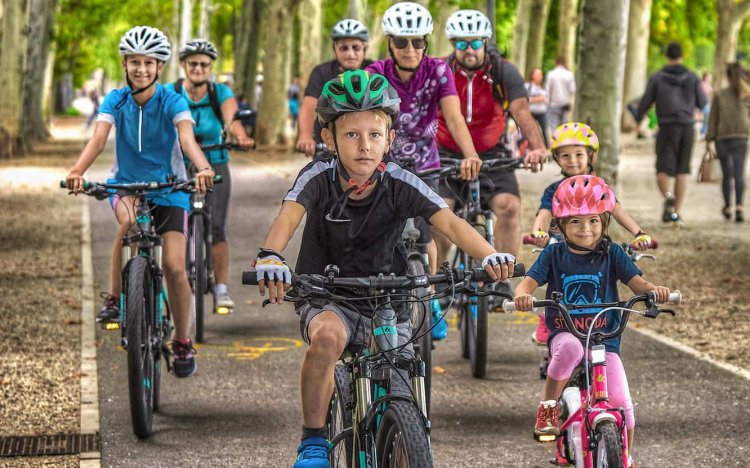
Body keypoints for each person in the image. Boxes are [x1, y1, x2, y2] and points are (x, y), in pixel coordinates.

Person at [253, 70, 516, 468]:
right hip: (328, 293)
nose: (364, 146)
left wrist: (489, 255)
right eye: (351, 135)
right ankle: (312, 441)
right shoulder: (318, 176)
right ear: (329, 139)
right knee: (327, 338)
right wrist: (271, 256)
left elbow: (451, 222)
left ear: (390, 139)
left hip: (388, 298)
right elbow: (288, 217)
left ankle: (408, 439)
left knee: (402, 378)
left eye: (375, 135)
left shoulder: (400, 180)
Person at [65, 26, 215, 378]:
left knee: (177, 268)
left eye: (149, 63)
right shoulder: (114, 100)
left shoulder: (173, 100)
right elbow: (99, 139)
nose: (142, 69)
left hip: (171, 188)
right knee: (129, 222)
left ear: (160, 66)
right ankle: (116, 298)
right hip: (127, 185)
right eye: (135, 62)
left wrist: (204, 167)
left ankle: (181, 340)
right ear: (125, 63)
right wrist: (77, 169)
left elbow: (187, 139)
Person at [514, 175, 672, 468]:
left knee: (624, 407)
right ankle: (548, 405)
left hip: (605, 338)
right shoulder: (553, 254)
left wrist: (654, 292)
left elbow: (637, 283)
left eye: (593, 221)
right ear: (559, 225)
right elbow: (527, 284)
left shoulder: (613, 253)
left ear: (604, 222)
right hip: (566, 332)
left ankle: (624, 458)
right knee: (571, 349)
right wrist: (522, 295)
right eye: (574, 221)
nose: (585, 229)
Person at [366, 2, 490, 339]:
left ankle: (431, 298)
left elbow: (452, 117)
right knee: (381, 233)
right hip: (384, 164)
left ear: (426, 43)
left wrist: (470, 154)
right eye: (402, 42)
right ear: (390, 43)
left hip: (425, 164)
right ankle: (381, 299)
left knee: (426, 234)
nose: (410, 49)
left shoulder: (438, 70)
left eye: (418, 42)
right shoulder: (375, 72)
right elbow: (367, 116)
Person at [432, 8, 547, 339]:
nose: (469, 49)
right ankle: (441, 281)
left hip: (492, 153)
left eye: (476, 42)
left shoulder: (502, 71)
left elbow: (522, 111)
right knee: (439, 213)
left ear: (486, 43)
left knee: (508, 206)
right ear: (453, 44)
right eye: (462, 42)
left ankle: (501, 282)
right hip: (446, 153)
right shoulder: (439, 70)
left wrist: (537, 146)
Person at [529, 123, 653, 345]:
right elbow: (545, 212)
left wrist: (639, 233)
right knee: (558, 281)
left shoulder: (599, 187)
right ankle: (548, 319)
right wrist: (538, 231)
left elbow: (617, 210)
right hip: (563, 243)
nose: (572, 160)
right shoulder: (555, 190)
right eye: (565, 155)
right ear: (557, 159)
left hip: (594, 243)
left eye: (579, 154)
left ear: (591, 155)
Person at [164, 38, 254, 313]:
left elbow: (232, 120)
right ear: (183, 65)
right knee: (172, 228)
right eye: (193, 63)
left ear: (211, 67)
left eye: (204, 64)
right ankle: (171, 287)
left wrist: (240, 137)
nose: (198, 69)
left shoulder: (220, 92)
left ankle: (221, 289)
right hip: (178, 165)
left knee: (217, 228)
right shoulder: (170, 92)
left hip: (215, 164)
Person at [633, 42, 707, 226]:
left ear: (667, 56)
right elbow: (703, 102)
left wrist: (637, 118)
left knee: (662, 170)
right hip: (687, 128)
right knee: (682, 171)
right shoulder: (692, 77)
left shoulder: (657, 77)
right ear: (681, 56)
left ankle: (668, 196)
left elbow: (645, 102)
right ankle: (676, 213)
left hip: (666, 128)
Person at [296, 19, 373, 156]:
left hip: (367, 148)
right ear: (334, 49)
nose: (350, 54)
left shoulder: (375, 71)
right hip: (328, 146)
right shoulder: (321, 72)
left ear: (365, 49)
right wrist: (305, 136)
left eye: (356, 47)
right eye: (344, 48)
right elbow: (309, 105)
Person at [706, 62, 750, 223]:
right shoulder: (746, 94)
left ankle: (728, 207)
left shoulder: (719, 94)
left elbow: (713, 119)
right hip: (741, 137)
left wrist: (709, 138)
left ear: (727, 76)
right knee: (739, 173)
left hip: (722, 139)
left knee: (727, 175)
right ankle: (739, 206)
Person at [545, 56, 576, 132]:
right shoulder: (569, 74)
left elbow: (548, 90)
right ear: (564, 63)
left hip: (553, 104)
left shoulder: (551, 74)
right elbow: (573, 90)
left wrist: (547, 102)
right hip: (565, 104)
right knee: (564, 126)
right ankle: (563, 142)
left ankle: (554, 142)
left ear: (556, 63)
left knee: (553, 126)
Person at [526, 67, 549, 146]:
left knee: (544, 131)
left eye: (541, 74)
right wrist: (538, 99)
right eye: (538, 74)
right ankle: (528, 145)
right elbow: (525, 100)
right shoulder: (527, 87)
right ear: (533, 76)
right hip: (531, 112)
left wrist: (543, 100)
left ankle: (546, 147)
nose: (540, 76)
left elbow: (548, 100)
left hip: (542, 112)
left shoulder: (544, 87)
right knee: (530, 130)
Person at [700, 72, 713, 138]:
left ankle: (703, 131)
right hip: (704, 103)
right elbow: (705, 92)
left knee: (707, 118)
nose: (710, 78)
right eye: (709, 76)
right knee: (706, 117)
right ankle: (703, 132)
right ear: (706, 77)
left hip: (708, 102)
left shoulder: (708, 84)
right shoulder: (702, 84)